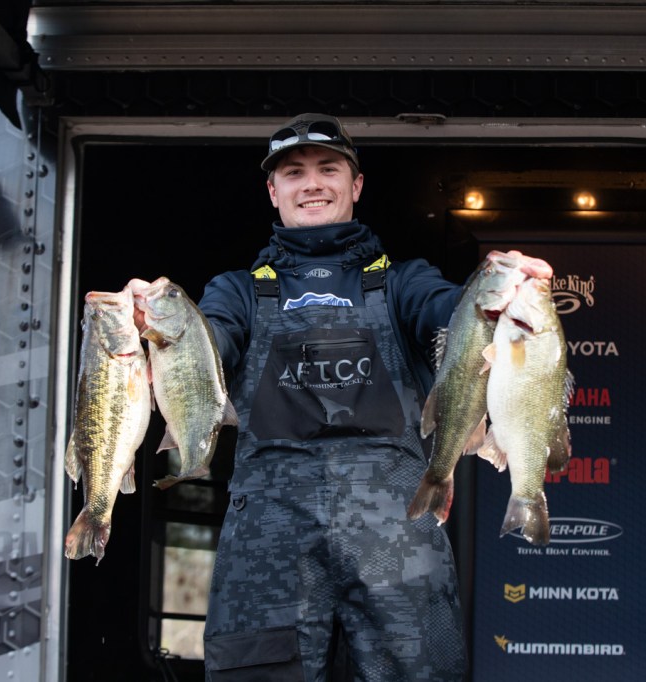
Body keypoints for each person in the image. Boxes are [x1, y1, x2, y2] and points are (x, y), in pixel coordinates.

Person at [197, 113, 468, 681]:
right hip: (270, 540)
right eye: (293, 172)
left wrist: (503, 293)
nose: (312, 183)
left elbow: (455, 314)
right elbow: (206, 346)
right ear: (273, 191)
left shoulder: (404, 283)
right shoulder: (237, 292)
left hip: (395, 537)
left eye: (328, 168)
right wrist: (158, 329)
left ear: (356, 184)